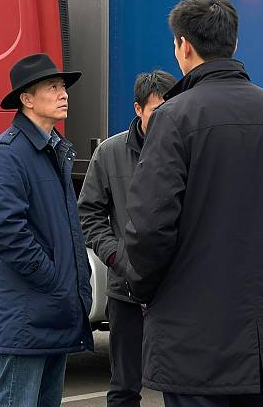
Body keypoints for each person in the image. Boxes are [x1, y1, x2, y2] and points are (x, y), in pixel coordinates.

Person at [123, 0, 263, 407]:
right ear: (233, 43)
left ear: (184, 47)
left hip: (193, 343)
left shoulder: (173, 118)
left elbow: (148, 225)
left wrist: (146, 286)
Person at [0, 53, 93, 407]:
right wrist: (52, 278)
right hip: (29, 316)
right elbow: (5, 232)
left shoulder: (54, 149)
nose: (64, 94)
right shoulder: (7, 154)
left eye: (63, 87)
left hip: (54, 310)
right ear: (26, 99)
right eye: (53, 87)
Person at [78, 70, 177, 407]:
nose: (165, 119)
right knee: (124, 388)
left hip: (176, 291)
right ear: (138, 109)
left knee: (181, 385)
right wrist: (116, 256)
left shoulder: (187, 149)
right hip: (126, 291)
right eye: (156, 112)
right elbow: (88, 213)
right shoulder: (109, 153)